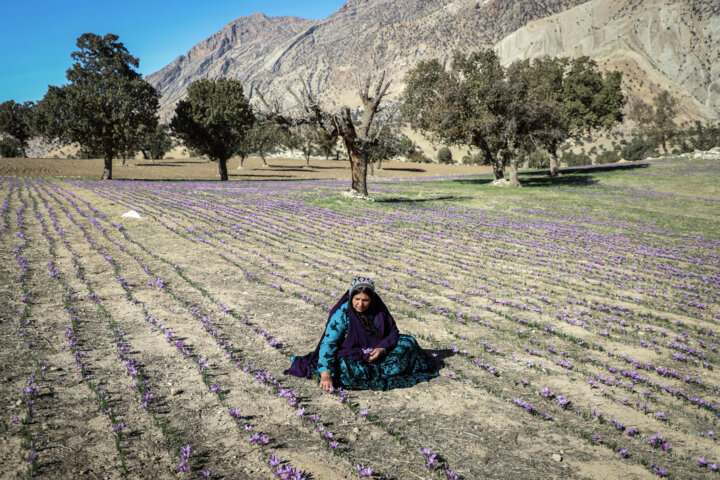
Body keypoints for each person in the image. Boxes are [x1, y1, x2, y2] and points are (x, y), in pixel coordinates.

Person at [285, 277, 439, 390]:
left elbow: (393, 332)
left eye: (365, 300)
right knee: (345, 369)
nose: (360, 304)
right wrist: (325, 373)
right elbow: (329, 343)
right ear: (351, 297)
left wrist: (381, 349)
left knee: (408, 342)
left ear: (372, 299)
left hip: (376, 350)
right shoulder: (342, 314)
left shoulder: (378, 310)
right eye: (357, 299)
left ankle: (380, 367)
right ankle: (382, 370)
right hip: (351, 353)